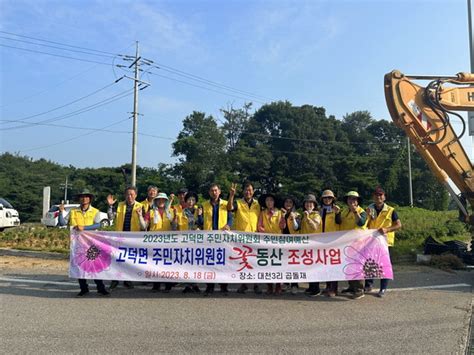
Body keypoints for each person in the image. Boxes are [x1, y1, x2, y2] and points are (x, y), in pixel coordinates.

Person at [58, 189, 109, 297]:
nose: (84, 198)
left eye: (86, 196)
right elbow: (62, 223)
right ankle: (83, 288)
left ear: (90, 199)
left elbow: (98, 225)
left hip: (91, 243)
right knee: (79, 266)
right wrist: (60, 212)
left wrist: (84, 228)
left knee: (94, 265)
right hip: (77, 243)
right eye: (82, 196)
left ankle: (101, 288)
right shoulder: (73, 211)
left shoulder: (95, 211)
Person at [107, 186, 146, 290]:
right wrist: (110, 206)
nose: (129, 196)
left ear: (136, 195)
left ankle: (127, 280)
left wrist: (140, 215)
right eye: (127, 194)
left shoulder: (141, 206)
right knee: (117, 259)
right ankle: (114, 280)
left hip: (133, 238)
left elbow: (144, 226)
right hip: (120, 237)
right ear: (125, 195)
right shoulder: (119, 205)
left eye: (132, 194)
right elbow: (111, 217)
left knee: (129, 260)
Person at [365, 187, 401, 298]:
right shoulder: (369, 209)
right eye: (376, 195)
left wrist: (387, 229)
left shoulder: (391, 210)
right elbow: (365, 224)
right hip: (371, 241)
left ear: (384, 197)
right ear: (373, 197)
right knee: (369, 263)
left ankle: (383, 288)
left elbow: (398, 225)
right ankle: (368, 285)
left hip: (385, 242)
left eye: (380, 195)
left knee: (384, 265)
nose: (378, 197)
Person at [227, 182, 262, 295]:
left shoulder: (258, 204)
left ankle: (256, 284)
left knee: (255, 262)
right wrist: (231, 195)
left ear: (253, 191)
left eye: (250, 190)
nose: (248, 192)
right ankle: (244, 284)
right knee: (243, 261)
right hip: (241, 238)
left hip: (255, 236)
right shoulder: (238, 202)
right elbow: (229, 208)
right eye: (246, 190)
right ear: (243, 191)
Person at [202, 183, 233, 296]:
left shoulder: (226, 204)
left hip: (223, 237)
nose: (214, 192)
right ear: (209, 192)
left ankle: (224, 286)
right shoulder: (204, 205)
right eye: (212, 190)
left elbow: (230, 218)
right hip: (209, 238)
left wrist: (228, 225)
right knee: (209, 262)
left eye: (216, 190)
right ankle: (209, 286)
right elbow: (200, 222)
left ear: (219, 192)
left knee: (223, 262)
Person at [145, 192, 177, 293]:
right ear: (156, 201)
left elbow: (175, 227)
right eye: (159, 199)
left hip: (168, 242)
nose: (161, 201)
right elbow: (144, 226)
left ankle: (168, 285)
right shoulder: (150, 212)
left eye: (163, 200)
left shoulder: (171, 212)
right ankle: (156, 285)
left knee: (167, 265)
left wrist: (175, 216)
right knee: (155, 264)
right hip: (154, 243)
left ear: (166, 201)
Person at [338, 191, 368, 300]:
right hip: (346, 244)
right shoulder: (345, 212)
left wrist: (355, 212)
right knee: (348, 266)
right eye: (350, 199)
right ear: (347, 201)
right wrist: (337, 214)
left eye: (354, 199)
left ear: (358, 201)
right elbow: (339, 222)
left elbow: (361, 223)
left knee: (357, 267)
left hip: (358, 244)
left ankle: (359, 290)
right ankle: (351, 287)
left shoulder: (362, 211)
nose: (352, 201)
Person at [257, 192, 286, 295]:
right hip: (266, 241)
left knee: (277, 264)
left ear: (274, 202)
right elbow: (259, 226)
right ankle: (269, 286)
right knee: (267, 264)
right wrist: (266, 234)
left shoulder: (279, 213)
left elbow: (282, 227)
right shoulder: (262, 213)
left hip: (277, 242)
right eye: (267, 200)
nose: (269, 202)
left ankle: (278, 285)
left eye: (271, 200)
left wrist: (283, 216)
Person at [318, 189, 341, 297]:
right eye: (325, 198)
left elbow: (339, 222)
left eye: (330, 198)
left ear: (333, 199)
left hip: (333, 241)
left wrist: (338, 214)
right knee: (324, 265)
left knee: (333, 265)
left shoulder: (336, 209)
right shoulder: (319, 210)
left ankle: (334, 288)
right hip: (322, 240)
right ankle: (327, 287)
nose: (327, 200)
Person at [179, 191, 203, 293]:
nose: (190, 202)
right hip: (185, 240)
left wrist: (200, 216)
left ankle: (196, 284)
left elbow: (202, 224)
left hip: (197, 241)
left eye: (193, 200)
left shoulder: (199, 210)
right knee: (187, 262)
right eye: (189, 200)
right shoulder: (182, 212)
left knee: (197, 263)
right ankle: (188, 285)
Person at [299, 194, 322, 297]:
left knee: (314, 267)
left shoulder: (316, 215)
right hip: (305, 244)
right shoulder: (303, 215)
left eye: (311, 203)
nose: (309, 204)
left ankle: (316, 288)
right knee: (308, 265)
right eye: (307, 202)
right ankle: (310, 286)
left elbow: (314, 227)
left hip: (314, 244)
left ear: (314, 205)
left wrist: (308, 218)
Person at [281, 196, 300, 295]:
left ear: (293, 205)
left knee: (293, 264)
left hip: (293, 243)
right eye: (286, 202)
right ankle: (286, 282)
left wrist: (293, 218)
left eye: (290, 202)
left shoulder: (297, 214)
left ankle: (294, 285)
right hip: (283, 242)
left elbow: (297, 228)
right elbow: (281, 227)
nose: (288, 204)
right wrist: (283, 217)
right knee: (285, 263)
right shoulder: (281, 213)